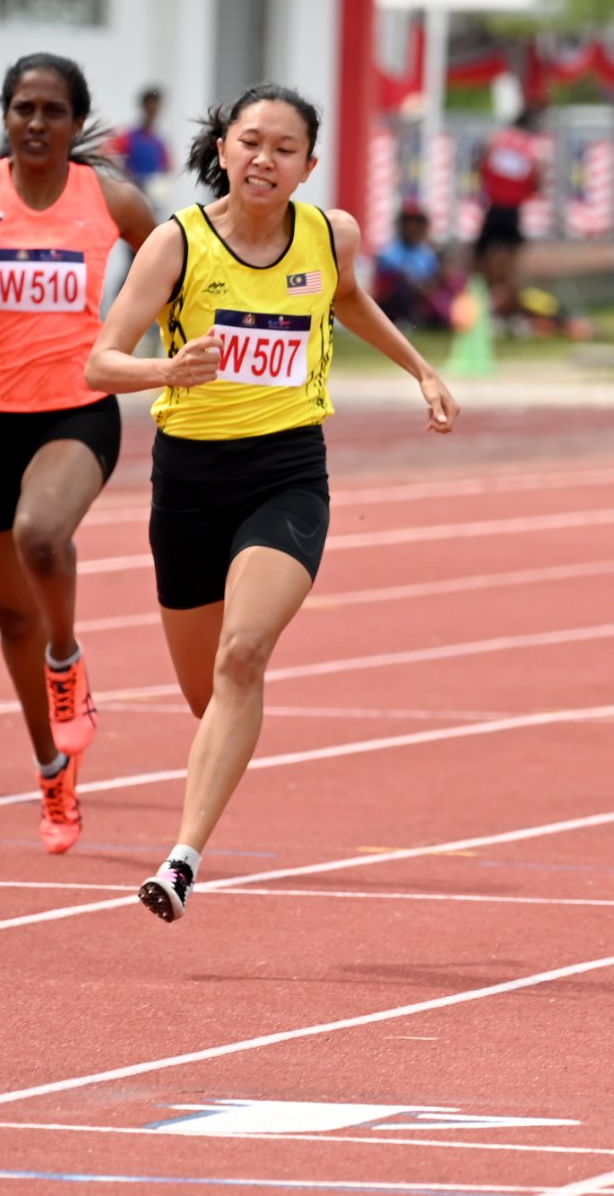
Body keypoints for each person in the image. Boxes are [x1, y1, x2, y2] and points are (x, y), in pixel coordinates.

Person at [85, 82, 458, 923]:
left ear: (308, 166)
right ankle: (218, 763)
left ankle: (180, 860)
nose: (265, 159)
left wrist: (422, 369)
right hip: (187, 480)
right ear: (224, 150)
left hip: (286, 473)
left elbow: (349, 297)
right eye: (251, 142)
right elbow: (99, 363)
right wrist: (164, 371)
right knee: (207, 695)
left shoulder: (331, 235)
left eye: (284, 149)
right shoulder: (176, 245)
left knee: (243, 656)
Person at [0, 53, 157, 854]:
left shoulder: (110, 197)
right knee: (8, 609)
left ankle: (66, 655)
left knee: (40, 536)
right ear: (4, 117)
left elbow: (180, 266)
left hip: (77, 410)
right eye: (23, 108)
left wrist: (163, 353)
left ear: (77, 122)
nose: (36, 123)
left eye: (52, 110)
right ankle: (52, 773)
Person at [476, 105, 543, 324]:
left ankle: (490, 309)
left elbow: (480, 167)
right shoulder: (531, 148)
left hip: (494, 207)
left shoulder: (496, 140)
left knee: (483, 262)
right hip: (513, 211)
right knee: (512, 268)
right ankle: (512, 313)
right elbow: (537, 182)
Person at [372, 204, 447, 329]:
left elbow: (435, 279)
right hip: (396, 300)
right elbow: (396, 277)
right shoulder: (389, 250)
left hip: (422, 298)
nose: (413, 228)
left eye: (417, 224)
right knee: (402, 285)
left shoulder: (427, 254)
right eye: (409, 223)